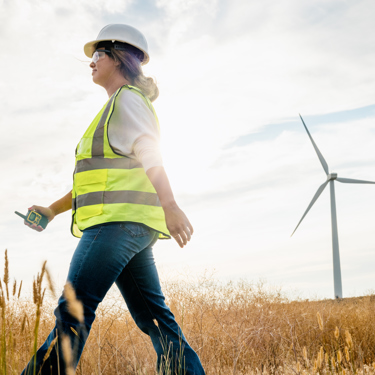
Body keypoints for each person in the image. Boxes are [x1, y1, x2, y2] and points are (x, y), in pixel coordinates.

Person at [21, 24, 205, 375]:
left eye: (98, 55)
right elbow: (96, 183)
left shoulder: (128, 102)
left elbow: (151, 153)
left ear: (119, 58)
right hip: (131, 227)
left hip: (115, 226)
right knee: (153, 317)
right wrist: (53, 210)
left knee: (73, 311)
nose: (91, 61)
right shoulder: (117, 108)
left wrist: (170, 205)